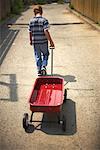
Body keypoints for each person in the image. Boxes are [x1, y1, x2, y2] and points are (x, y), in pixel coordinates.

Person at [29, 5, 55, 76]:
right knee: (46, 54)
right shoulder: (44, 20)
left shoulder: (31, 21)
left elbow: (30, 32)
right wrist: (51, 41)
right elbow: (46, 31)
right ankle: (44, 66)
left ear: (34, 12)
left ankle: (39, 70)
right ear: (41, 12)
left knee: (37, 56)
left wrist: (31, 40)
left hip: (35, 42)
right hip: (43, 41)